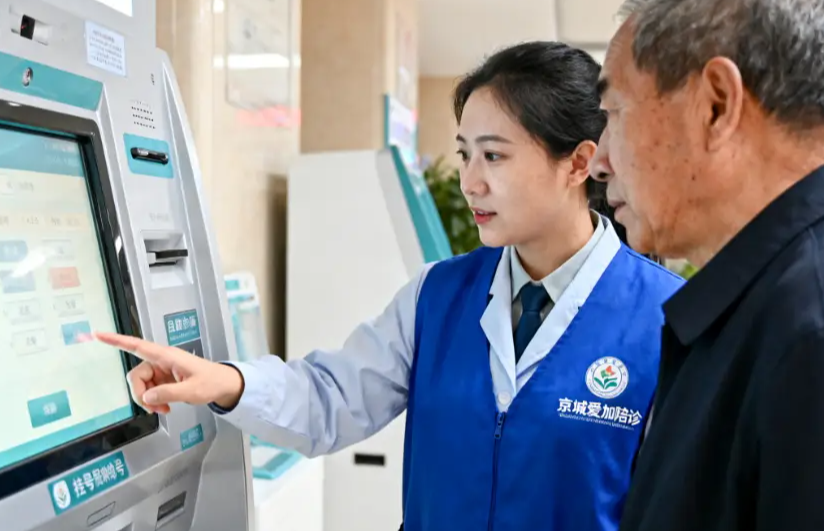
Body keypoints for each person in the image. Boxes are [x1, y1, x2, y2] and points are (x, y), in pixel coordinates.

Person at [95, 42, 683, 531]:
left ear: (578, 163)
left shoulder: (663, 317)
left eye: (494, 157)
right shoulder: (438, 296)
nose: (471, 182)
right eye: (465, 155)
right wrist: (227, 382)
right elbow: (332, 399)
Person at [590, 1, 824, 530]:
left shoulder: (807, 331)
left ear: (715, 106)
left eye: (615, 113)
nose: (600, 162)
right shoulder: (754, 308)